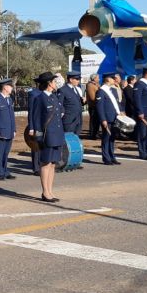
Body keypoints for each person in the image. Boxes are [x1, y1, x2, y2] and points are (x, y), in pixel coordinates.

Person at [31, 72, 64, 202]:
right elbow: (36, 119)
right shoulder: (40, 98)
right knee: (45, 163)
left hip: (57, 134)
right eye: (54, 82)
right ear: (49, 83)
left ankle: (50, 191)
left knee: (52, 164)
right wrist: (39, 138)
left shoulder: (54, 97)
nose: (56, 84)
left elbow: (60, 112)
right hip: (47, 136)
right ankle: (45, 192)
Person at [95, 72, 122, 165]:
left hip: (114, 118)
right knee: (106, 138)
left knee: (112, 138)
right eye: (112, 78)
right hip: (107, 118)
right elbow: (100, 107)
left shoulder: (113, 90)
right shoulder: (101, 91)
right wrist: (103, 119)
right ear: (107, 79)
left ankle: (112, 156)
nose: (114, 80)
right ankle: (106, 158)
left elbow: (116, 104)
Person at [56, 71, 84, 135]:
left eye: (78, 79)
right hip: (69, 121)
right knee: (68, 139)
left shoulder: (76, 89)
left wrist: (83, 101)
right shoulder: (62, 90)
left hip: (78, 119)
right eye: (77, 79)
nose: (78, 81)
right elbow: (60, 104)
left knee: (75, 139)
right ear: (71, 79)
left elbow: (75, 103)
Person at [26, 76, 42, 176]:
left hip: (45, 125)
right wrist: (31, 127)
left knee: (43, 146)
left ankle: (42, 165)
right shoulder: (34, 94)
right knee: (36, 146)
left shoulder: (47, 93)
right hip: (37, 125)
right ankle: (36, 167)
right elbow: (31, 112)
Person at [86, 74, 100, 140]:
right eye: (97, 78)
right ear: (94, 78)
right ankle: (92, 134)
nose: (99, 79)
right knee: (93, 121)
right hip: (93, 106)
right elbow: (92, 97)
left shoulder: (97, 84)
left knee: (97, 121)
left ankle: (96, 133)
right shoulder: (90, 85)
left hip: (97, 105)